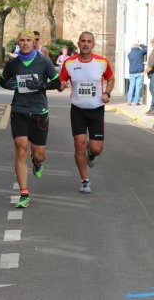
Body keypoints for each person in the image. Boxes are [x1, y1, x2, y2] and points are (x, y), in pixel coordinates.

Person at [0, 29, 63, 208]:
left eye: (28, 40)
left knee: (38, 153)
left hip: (39, 112)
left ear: (33, 42)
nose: (25, 43)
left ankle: (37, 163)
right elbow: (2, 81)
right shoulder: (13, 64)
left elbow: (57, 82)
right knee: (21, 148)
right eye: (22, 40)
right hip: (19, 110)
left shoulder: (43, 61)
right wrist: (8, 84)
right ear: (18, 43)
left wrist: (41, 84)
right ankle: (24, 193)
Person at [59, 31, 115, 194]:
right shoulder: (69, 63)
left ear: (93, 44)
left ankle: (91, 153)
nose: (85, 44)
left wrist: (108, 93)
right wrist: (61, 85)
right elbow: (61, 80)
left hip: (96, 110)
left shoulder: (101, 62)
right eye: (83, 41)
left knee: (97, 149)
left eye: (89, 41)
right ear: (78, 43)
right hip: (78, 110)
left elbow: (111, 79)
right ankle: (85, 180)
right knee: (79, 144)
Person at [126, 41, 147, 106]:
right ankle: (136, 102)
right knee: (138, 87)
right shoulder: (140, 52)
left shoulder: (129, 54)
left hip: (131, 73)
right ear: (137, 47)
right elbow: (147, 48)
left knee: (131, 87)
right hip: (140, 72)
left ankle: (129, 101)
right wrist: (140, 44)